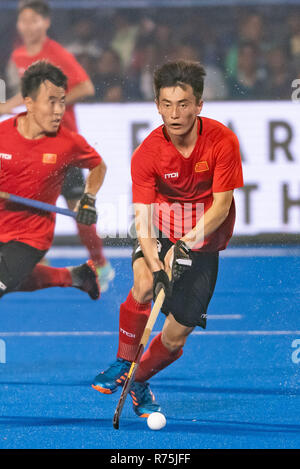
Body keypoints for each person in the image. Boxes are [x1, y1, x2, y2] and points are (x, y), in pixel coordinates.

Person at [92, 60, 243, 418]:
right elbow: (142, 216)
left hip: (204, 241)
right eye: (167, 105)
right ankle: (123, 359)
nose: (175, 114)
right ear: (157, 105)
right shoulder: (147, 153)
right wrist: (155, 258)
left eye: (183, 104)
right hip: (160, 227)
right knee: (144, 285)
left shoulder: (222, 141)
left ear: (199, 105)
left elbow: (221, 206)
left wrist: (186, 246)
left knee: (175, 337)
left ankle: (138, 378)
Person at [0, 0, 115, 292]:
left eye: (33, 21)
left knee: (79, 208)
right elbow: (28, 94)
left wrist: (53, 105)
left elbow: (86, 88)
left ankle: (100, 264)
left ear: (46, 23)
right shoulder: (18, 54)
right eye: (23, 21)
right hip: (29, 148)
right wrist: (7, 107)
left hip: (61, 152)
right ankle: (43, 262)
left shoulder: (56, 54)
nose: (27, 27)